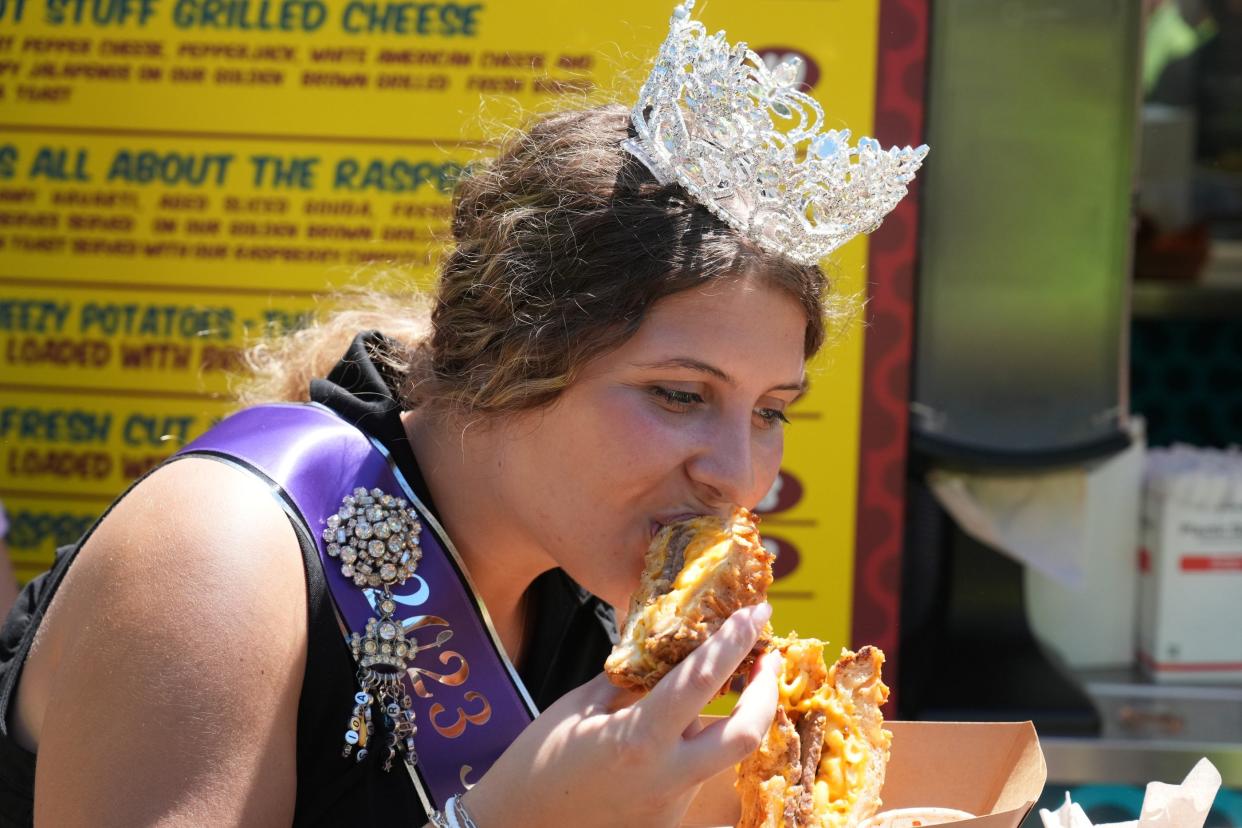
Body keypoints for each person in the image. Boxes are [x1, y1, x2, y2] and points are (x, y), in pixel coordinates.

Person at [0, 4, 924, 826]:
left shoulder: (582, 579)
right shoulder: (219, 557)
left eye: (771, 411)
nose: (735, 473)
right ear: (515, 354)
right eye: (679, 395)